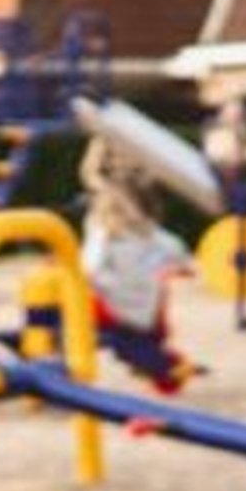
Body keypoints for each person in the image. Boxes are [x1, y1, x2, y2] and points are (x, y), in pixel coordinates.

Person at [77, 136, 202, 396]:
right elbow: (175, 251)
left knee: (75, 307)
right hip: (147, 308)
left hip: (118, 307)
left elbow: (90, 267)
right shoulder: (149, 231)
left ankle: (162, 367)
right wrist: (181, 267)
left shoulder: (104, 230)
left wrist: (81, 278)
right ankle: (163, 366)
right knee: (150, 323)